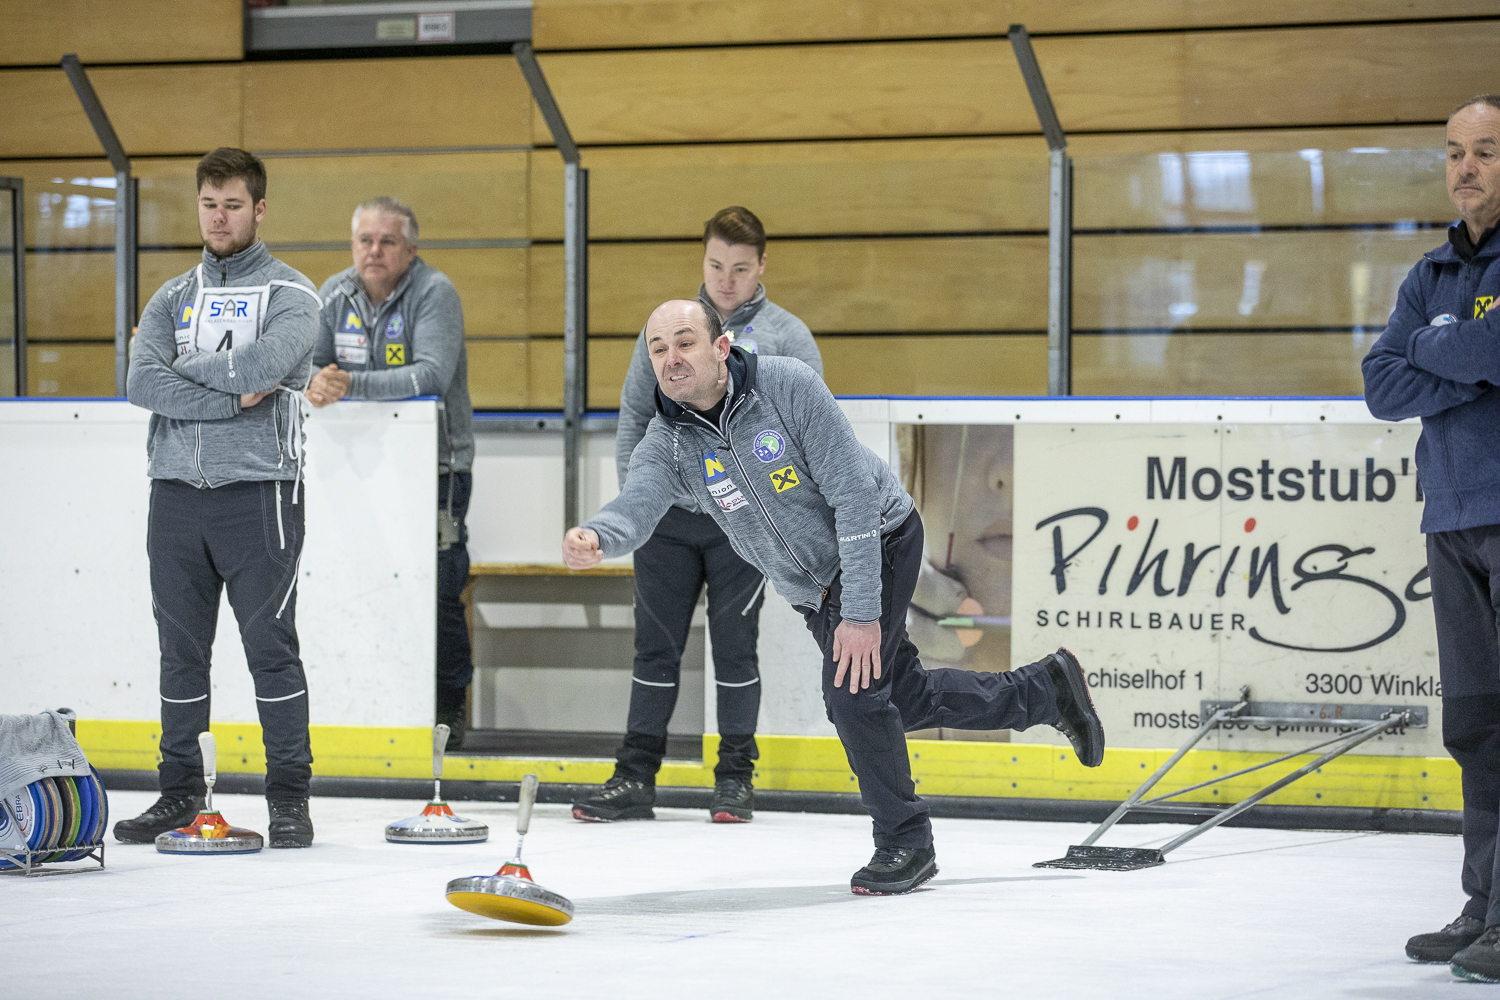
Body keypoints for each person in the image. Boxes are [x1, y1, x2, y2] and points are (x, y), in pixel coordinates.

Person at [562, 299, 1105, 894]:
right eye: (658, 349)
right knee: (902, 697)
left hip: (881, 536)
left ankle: (905, 841)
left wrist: (862, 613)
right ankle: (1044, 690)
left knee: (853, 697)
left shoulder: (786, 386)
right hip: (813, 588)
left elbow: (852, 495)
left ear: (721, 348)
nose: (671, 359)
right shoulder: (669, 442)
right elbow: (636, 504)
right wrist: (597, 535)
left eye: (684, 342)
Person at [572, 207, 821, 824]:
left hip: (745, 524)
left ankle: (735, 778)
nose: (726, 280)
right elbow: (635, 416)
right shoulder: (667, 329)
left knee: (737, 648)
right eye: (715, 266)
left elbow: (806, 435)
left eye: (740, 268)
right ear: (702, 262)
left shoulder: (789, 337)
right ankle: (634, 777)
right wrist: (642, 497)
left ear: (762, 266)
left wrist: (778, 510)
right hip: (671, 521)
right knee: (654, 648)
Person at [115, 147, 322, 848]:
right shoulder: (172, 295)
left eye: (234, 204)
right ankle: (178, 794)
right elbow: (140, 382)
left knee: (270, 647)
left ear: (259, 209)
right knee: (180, 651)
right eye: (209, 204)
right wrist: (229, 392)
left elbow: (266, 364)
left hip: (259, 493)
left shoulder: (296, 295)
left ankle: (289, 798)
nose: (220, 217)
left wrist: (184, 365)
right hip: (174, 493)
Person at [1364, 95, 1500, 983]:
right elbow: (1381, 383)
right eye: (1455, 151)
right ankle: (1483, 905)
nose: (1466, 167)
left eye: (1485, 150)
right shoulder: (1429, 273)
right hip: (1449, 516)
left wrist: (1434, 352)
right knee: (1478, 728)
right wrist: (1468, 351)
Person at [303, 197, 474, 751]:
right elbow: (306, 365)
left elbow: (429, 376)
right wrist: (318, 381)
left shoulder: (435, 293)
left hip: (437, 469)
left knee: (441, 589)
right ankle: (374, 702)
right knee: (364, 583)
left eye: (387, 242)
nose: (373, 252)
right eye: (364, 241)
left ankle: (451, 708)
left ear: (411, 249)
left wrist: (348, 384)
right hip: (353, 467)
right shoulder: (333, 292)